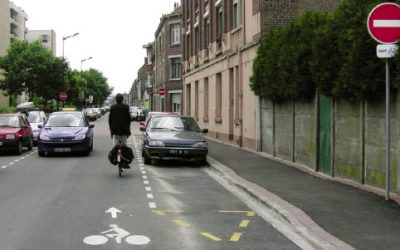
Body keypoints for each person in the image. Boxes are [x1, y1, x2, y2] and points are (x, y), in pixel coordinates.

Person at [108, 93, 131, 168]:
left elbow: (110, 120)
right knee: (124, 146)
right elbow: (128, 119)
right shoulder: (126, 107)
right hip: (124, 130)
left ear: (116, 99)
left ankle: (115, 159)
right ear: (122, 99)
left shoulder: (112, 107)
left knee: (116, 146)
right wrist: (128, 129)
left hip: (115, 130)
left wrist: (111, 130)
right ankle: (125, 162)